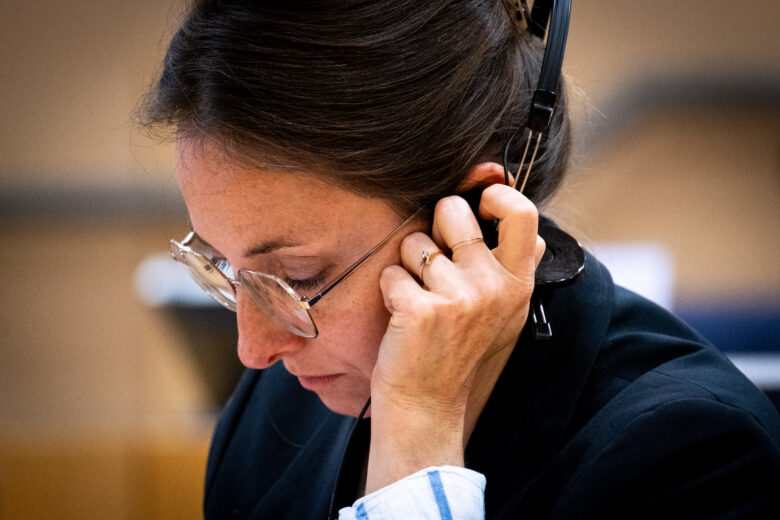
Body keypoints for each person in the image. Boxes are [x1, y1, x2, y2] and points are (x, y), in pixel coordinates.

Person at [142, 1, 780, 518]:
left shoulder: (698, 461)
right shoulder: (273, 414)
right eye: (225, 268)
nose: (253, 352)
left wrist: (416, 443)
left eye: (299, 278)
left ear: (472, 218)